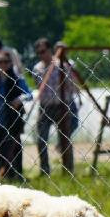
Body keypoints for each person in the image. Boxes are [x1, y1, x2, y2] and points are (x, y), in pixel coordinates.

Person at [32, 39, 77, 176]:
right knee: (41, 139)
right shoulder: (37, 68)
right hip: (45, 106)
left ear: (50, 50)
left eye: (43, 51)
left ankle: (68, 169)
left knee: (65, 139)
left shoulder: (62, 65)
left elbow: (72, 85)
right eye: (38, 52)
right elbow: (38, 87)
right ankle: (44, 170)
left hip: (62, 105)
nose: (41, 55)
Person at [0, 52, 30, 181]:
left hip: (13, 118)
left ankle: (17, 174)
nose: (3, 65)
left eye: (6, 62)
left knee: (15, 147)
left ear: (10, 63)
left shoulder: (17, 78)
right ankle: (4, 175)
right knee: (0, 147)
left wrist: (19, 99)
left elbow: (28, 94)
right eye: (0, 62)